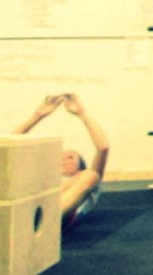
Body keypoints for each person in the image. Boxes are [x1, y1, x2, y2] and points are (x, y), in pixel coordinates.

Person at [13, 93, 109, 231]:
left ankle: (44, 218)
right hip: (25, 211)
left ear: (80, 166)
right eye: (60, 157)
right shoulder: (44, 180)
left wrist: (82, 113)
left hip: (51, 220)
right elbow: (7, 148)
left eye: (70, 157)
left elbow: (103, 148)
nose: (63, 160)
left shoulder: (84, 179)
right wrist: (37, 116)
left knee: (92, 175)